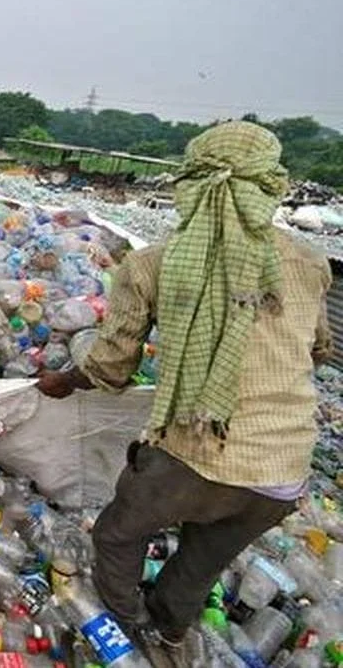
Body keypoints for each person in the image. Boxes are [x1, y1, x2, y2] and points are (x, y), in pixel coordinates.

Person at [37, 122, 334, 665]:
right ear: (270, 186)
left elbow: (112, 367)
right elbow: (317, 351)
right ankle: (171, 633)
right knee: (201, 560)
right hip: (287, 468)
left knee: (117, 535)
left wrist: (64, 381)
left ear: (192, 185)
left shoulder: (153, 263)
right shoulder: (308, 261)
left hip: (201, 455)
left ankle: (124, 632)